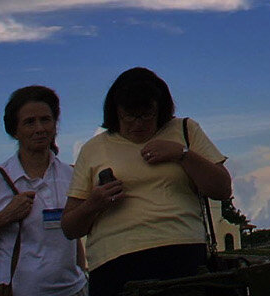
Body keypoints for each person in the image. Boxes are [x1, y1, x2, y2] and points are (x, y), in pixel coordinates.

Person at [62, 68, 231, 296]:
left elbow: (222, 189)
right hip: (115, 263)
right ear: (115, 112)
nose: (137, 124)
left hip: (182, 254)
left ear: (160, 109)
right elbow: (70, 228)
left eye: (146, 115)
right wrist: (95, 203)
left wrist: (181, 154)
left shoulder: (185, 129)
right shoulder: (93, 149)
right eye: (129, 116)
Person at [0, 86, 86, 296]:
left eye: (46, 119)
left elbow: (73, 236)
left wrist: (81, 271)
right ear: (14, 130)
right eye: (29, 122)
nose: (40, 128)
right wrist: (4, 218)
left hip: (72, 290)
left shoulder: (70, 175)